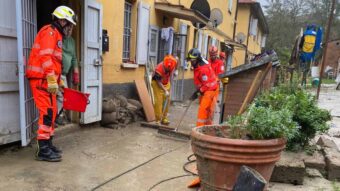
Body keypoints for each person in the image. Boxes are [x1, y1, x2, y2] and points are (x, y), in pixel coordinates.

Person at [26, 6, 77, 162]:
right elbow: (46, 57)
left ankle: (48, 143)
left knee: (53, 111)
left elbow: (55, 63)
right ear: (62, 21)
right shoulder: (49, 32)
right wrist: (50, 78)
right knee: (47, 113)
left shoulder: (56, 35)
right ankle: (43, 150)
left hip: (47, 80)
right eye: (69, 24)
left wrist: (59, 81)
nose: (70, 28)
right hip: (41, 80)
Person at [187, 48, 218, 127]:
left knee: (203, 110)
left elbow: (206, 84)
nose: (191, 62)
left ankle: (199, 130)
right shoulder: (198, 63)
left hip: (210, 90)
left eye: (193, 61)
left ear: (197, 59)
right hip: (208, 89)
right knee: (208, 111)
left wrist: (197, 93)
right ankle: (206, 129)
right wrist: (198, 91)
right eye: (190, 60)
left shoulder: (203, 69)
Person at [56, 24, 79, 125]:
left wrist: (76, 73)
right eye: (68, 27)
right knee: (57, 95)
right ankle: (54, 118)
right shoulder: (57, 37)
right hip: (55, 73)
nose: (70, 30)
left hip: (63, 74)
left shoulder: (72, 41)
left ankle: (58, 116)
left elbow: (73, 58)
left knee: (64, 96)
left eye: (72, 28)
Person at [151, 55, 178, 125]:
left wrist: (170, 87)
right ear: (165, 65)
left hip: (166, 82)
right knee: (158, 102)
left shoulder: (172, 65)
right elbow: (158, 81)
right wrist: (165, 90)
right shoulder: (159, 69)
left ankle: (164, 118)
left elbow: (171, 75)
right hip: (157, 84)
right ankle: (158, 120)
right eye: (167, 69)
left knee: (167, 101)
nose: (168, 70)